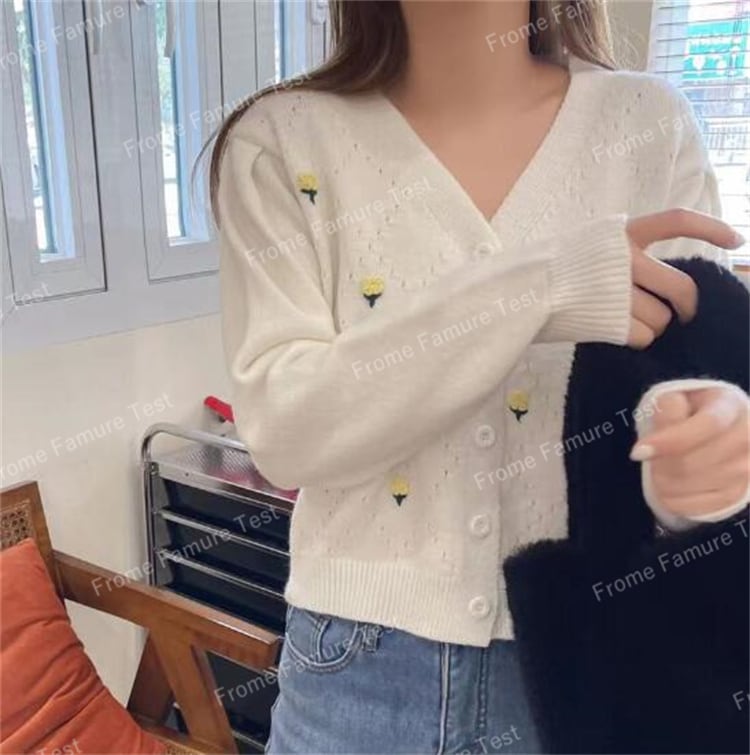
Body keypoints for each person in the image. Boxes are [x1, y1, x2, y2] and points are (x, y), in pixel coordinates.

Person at [211, 2, 749, 752]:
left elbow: (696, 377)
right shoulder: (281, 141)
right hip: (356, 672)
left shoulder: (648, 126)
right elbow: (285, 432)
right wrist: (537, 287)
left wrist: (700, 458)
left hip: (586, 668)